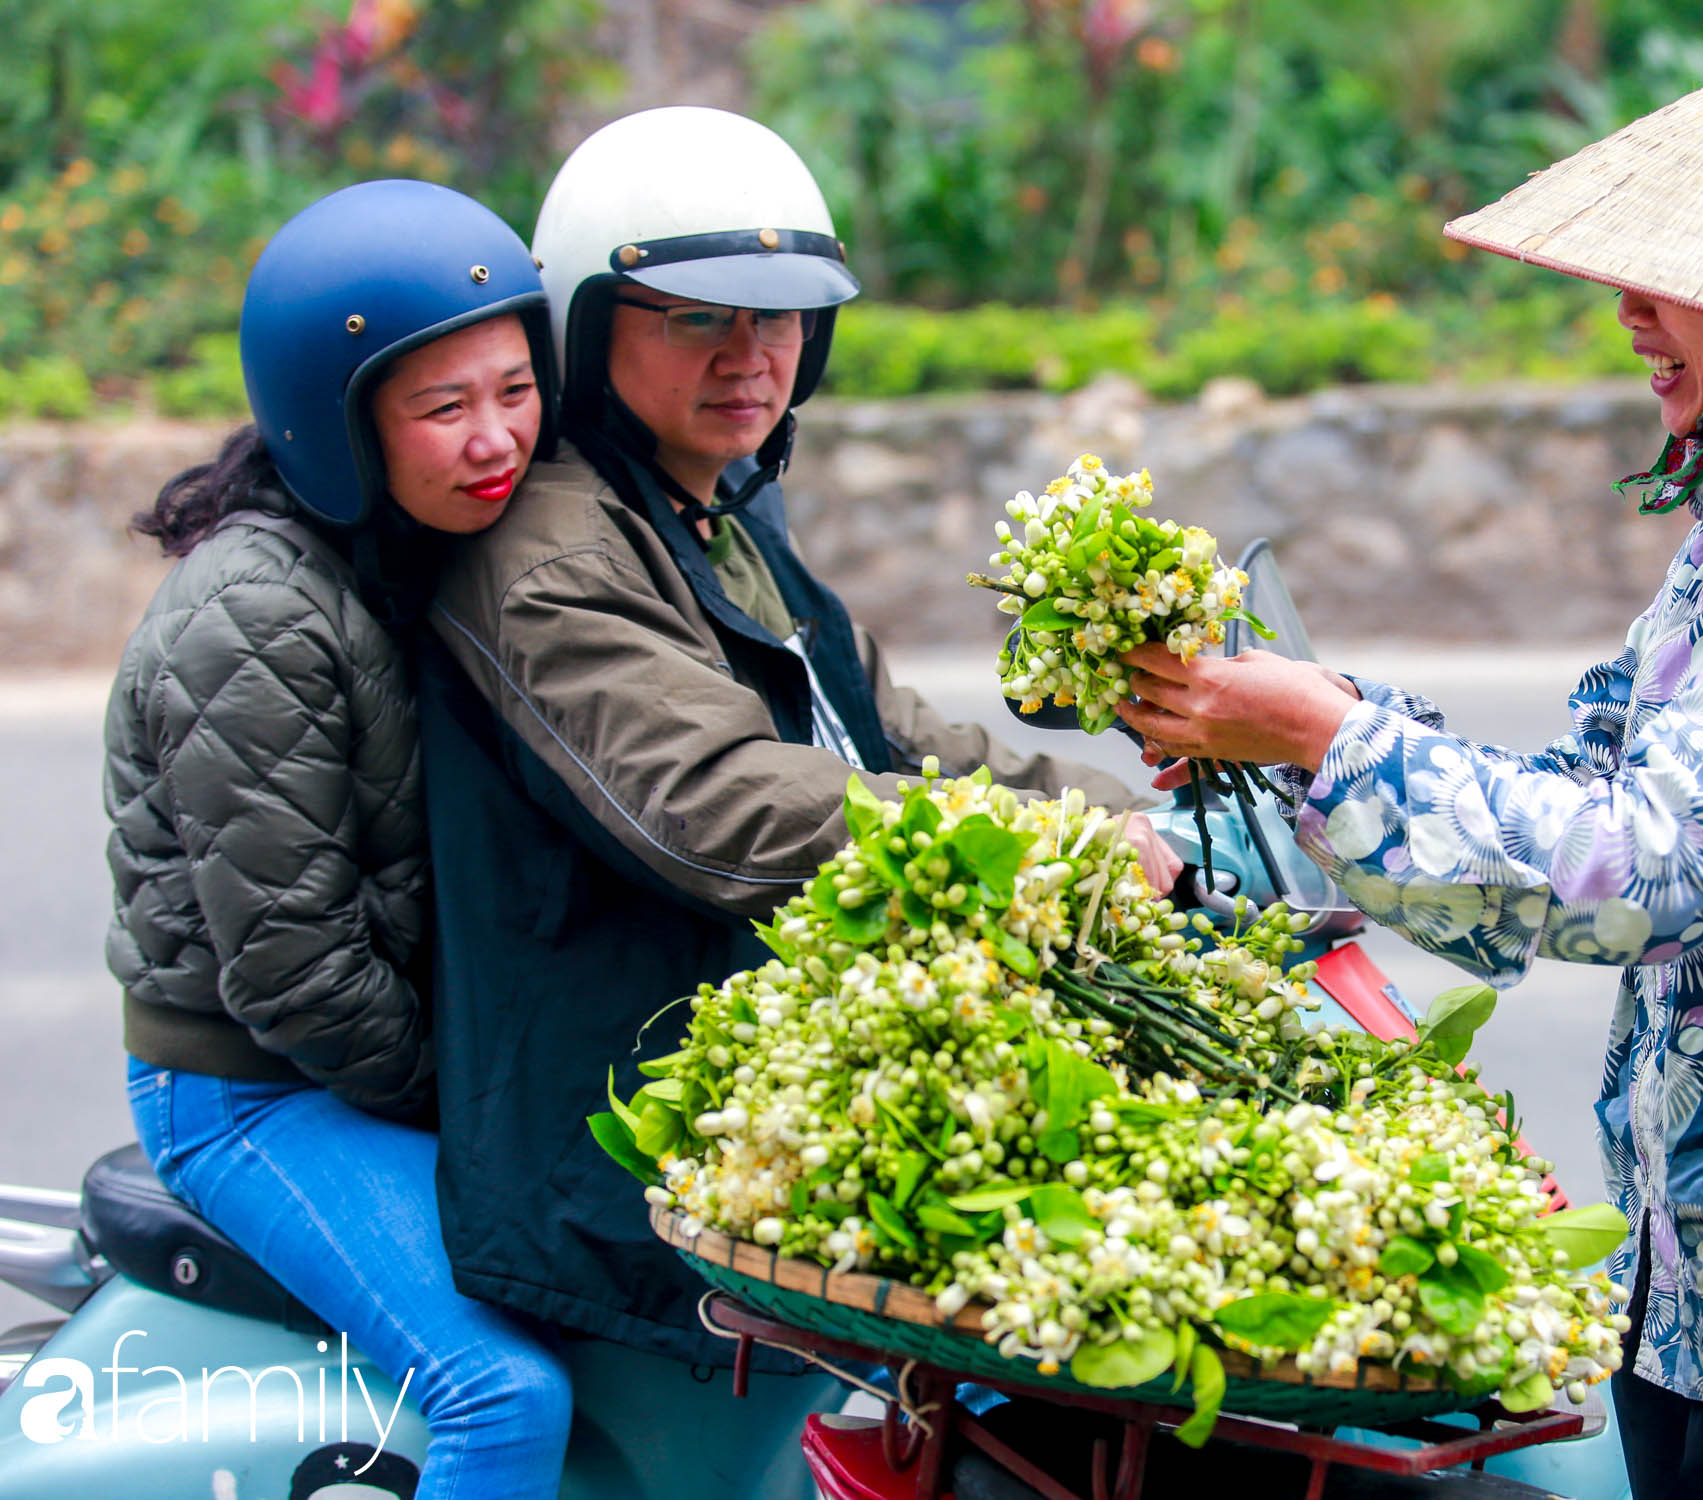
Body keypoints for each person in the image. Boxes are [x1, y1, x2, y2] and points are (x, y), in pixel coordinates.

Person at [1116, 40, 1703, 1500]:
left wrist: (1324, 737)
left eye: (1664, 276)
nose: (1625, 312)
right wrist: (1314, 731)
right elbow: (1576, 806)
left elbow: (1645, 869)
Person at [414, 107, 1175, 1373]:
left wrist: (1130, 815)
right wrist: (1048, 841)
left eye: (782, 319)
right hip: (627, 1149)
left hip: (773, 1120)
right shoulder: (551, 551)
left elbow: (895, 737)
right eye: (700, 317)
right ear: (593, 331)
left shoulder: (718, 510)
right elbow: (712, 805)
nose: (751, 356)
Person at [105, 180, 570, 1500]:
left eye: (514, 389)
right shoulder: (247, 618)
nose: (497, 440)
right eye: (443, 407)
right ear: (338, 416)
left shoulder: (418, 547)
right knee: (503, 1396)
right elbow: (296, 974)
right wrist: (487, 1116)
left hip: (374, 1057)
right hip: (250, 1088)